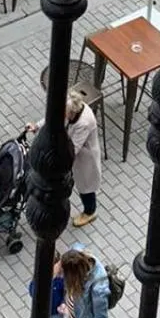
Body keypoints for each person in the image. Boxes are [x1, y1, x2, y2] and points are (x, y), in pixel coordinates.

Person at [65, 91, 102, 227]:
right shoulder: (74, 108)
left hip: (85, 159)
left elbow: (73, 149)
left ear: (73, 113)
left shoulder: (83, 123)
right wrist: (38, 126)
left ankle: (89, 212)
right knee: (82, 184)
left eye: (66, 113)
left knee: (86, 188)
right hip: (77, 155)